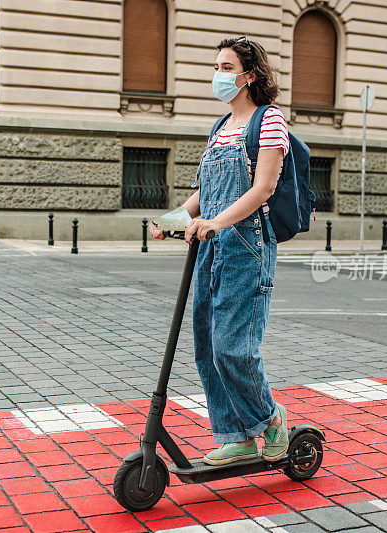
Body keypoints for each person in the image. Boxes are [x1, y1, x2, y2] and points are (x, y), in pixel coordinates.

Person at [151, 36, 290, 465]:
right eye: (217, 67)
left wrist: (216, 221)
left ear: (250, 75)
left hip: (247, 247)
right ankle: (237, 435)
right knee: (208, 345)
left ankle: (270, 420)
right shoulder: (219, 127)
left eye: (227, 67)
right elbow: (205, 193)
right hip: (212, 247)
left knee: (234, 346)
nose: (219, 75)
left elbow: (263, 187)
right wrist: (175, 218)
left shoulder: (269, 121)